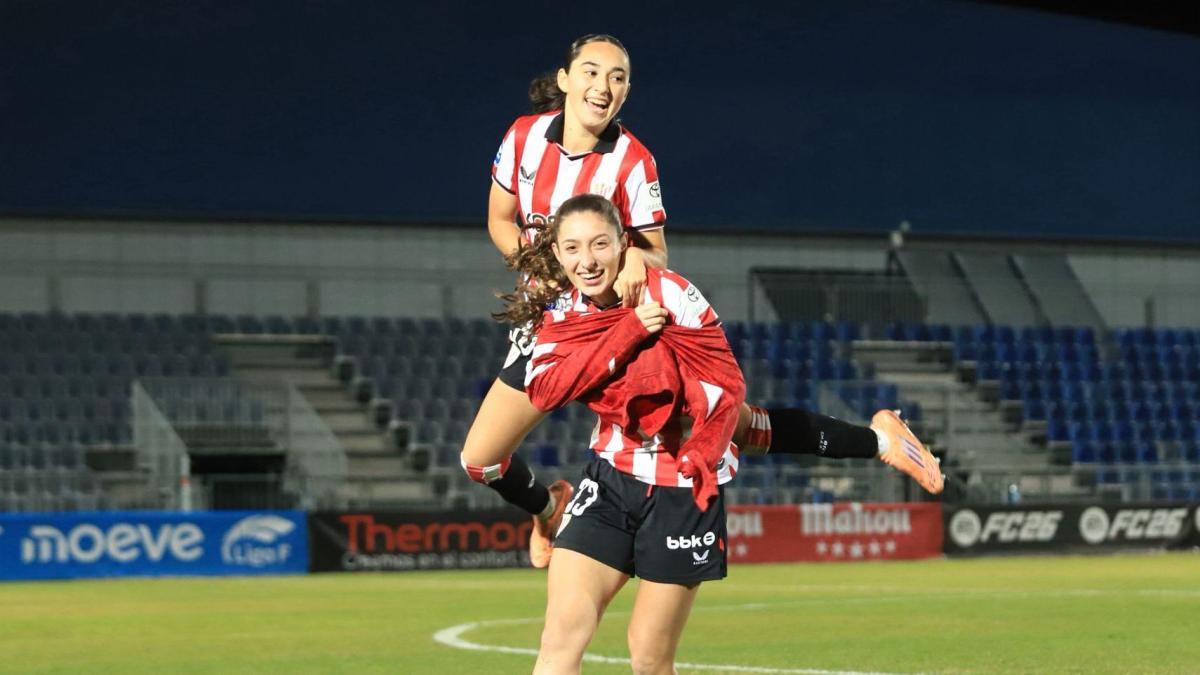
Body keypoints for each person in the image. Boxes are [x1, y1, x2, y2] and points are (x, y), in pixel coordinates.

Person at [463, 33, 942, 570]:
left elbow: (655, 254)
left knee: (734, 424)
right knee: (480, 461)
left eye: (618, 77)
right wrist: (538, 270)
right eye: (592, 72)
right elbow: (500, 221)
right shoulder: (523, 137)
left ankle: (878, 439)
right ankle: (549, 506)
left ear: (626, 91)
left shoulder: (632, 161)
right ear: (566, 79)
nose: (603, 86)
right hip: (550, 330)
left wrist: (626, 269)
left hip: (620, 324)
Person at [516, 194, 742, 674]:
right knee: (560, 636)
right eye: (572, 248)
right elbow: (548, 389)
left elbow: (727, 384)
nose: (587, 260)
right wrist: (628, 330)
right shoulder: (559, 312)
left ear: (623, 244)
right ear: (556, 254)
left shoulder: (671, 292)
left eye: (600, 244)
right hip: (611, 480)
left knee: (649, 657)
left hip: (682, 491)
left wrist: (702, 451)